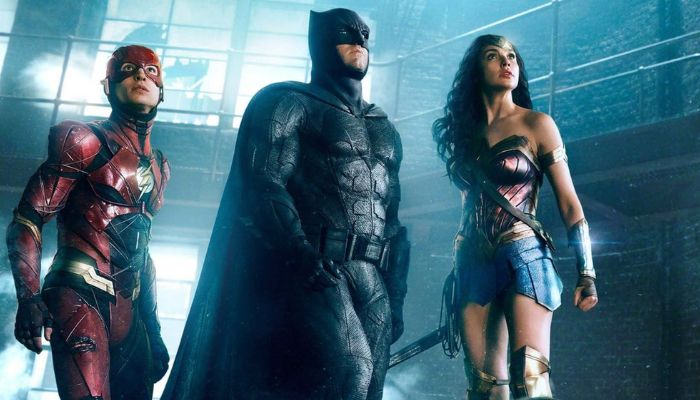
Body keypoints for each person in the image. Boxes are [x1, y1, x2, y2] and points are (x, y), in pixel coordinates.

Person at [162, 8, 410, 400]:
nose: (360, 41)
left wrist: (396, 293)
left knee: (371, 386)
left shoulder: (384, 128)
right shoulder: (287, 102)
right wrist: (299, 252)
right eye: (346, 33)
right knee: (352, 369)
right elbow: (264, 181)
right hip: (317, 267)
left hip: (372, 274)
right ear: (321, 42)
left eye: (364, 34)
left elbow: (391, 215)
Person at [432, 34, 598, 400]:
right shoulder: (465, 135)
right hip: (472, 262)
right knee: (484, 388)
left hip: (524, 256)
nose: (507, 61)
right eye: (493, 56)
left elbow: (570, 204)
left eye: (511, 56)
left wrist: (586, 272)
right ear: (477, 70)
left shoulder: (538, 125)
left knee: (531, 379)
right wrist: (457, 269)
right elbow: (467, 206)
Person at [6, 45, 170, 400]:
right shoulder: (83, 140)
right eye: (129, 69)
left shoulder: (160, 167)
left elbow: (144, 254)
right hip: (80, 293)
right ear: (108, 85)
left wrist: (153, 329)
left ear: (162, 91)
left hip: (131, 308)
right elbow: (28, 220)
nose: (141, 76)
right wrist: (29, 297)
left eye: (151, 71)